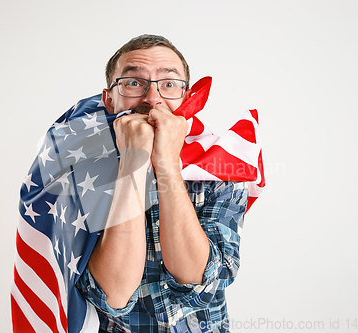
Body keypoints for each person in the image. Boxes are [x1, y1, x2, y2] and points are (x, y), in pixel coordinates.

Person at [75, 34, 248, 333]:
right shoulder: (78, 174)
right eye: (133, 82)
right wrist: (133, 162)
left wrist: (166, 163)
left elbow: (200, 283)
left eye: (168, 84)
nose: (152, 99)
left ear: (187, 97)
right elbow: (112, 296)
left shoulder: (221, 166)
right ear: (109, 99)